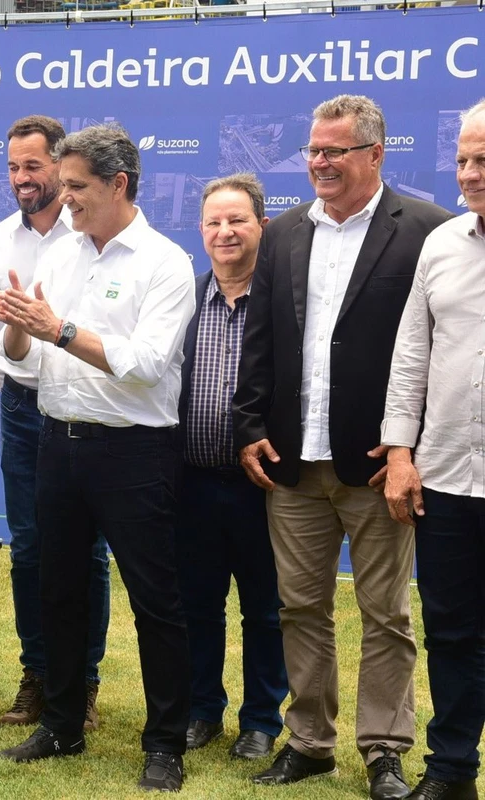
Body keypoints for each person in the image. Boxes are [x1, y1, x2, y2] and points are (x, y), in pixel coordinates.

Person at [232, 94, 453, 799]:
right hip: (294, 465)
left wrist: (405, 450)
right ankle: (310, 742)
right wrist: (250, 426)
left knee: (386, 612)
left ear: (375, 154)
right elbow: (260, 340)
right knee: (300, 608)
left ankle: (385, 750)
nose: (319, 163)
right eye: (313, 151)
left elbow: (435, 352)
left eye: (335, 151)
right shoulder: (287, 232)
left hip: (379, 463)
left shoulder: (424, 230)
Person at [0, 123, 194, 792]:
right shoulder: (61, 255)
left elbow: (145, 365)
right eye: (63, 183)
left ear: (118, 184)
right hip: (58, 442)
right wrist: (20, 323)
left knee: (156, 600)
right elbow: (17, 360)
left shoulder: (163, 262)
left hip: (135, 452)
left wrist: (61, 329)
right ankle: (63, 724)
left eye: (76, 186)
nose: (63, 197)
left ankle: (164, 744)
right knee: (60, 592)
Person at [0, 115, 110, 730]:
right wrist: (14, 335)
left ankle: (81, 685)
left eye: (32, 166)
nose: (21, 178)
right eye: (12, 166)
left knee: (87, 553)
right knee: (29, 549)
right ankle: (37, 677)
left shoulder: (92, 233)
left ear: (61, 167)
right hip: (20, 404)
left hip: (82, 407)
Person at [378, 99, 485, 800]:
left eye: (484, 161)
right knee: (450, 630)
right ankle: (450, 773)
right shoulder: (442, 244)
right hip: (447, 476)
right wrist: (398, 452)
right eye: (463, 160)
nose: (470, 174)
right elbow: (410, 355)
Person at [176, 174, 287, 760]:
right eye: (214, 222)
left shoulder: (285, 305)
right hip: (191, 480)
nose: (225, 232)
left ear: (261, 227)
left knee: (265, 610)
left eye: (237, 220)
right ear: (201, 231)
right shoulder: (185, 299)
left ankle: (261, 719)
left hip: (262, 487)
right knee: (197, 604)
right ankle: (201, 711)